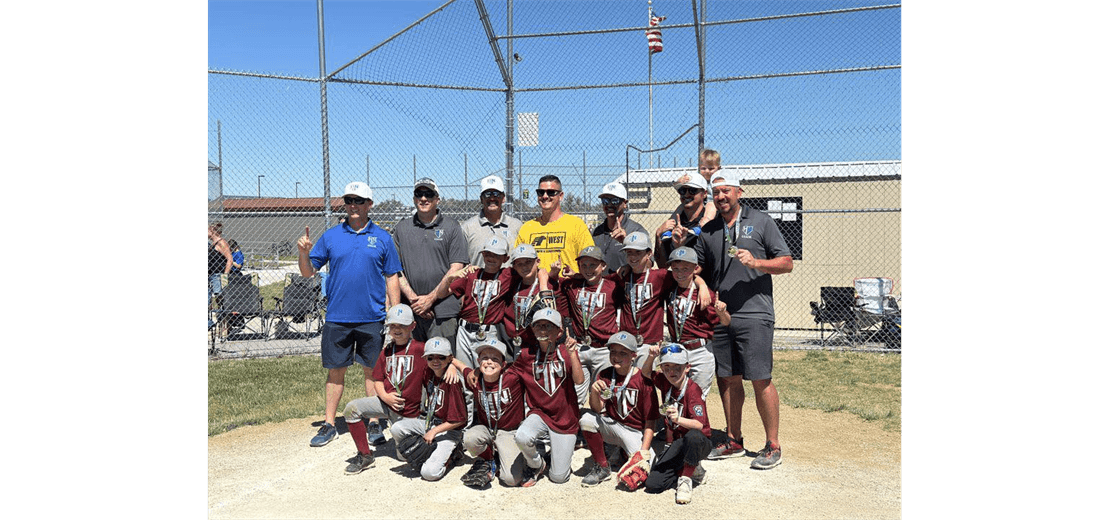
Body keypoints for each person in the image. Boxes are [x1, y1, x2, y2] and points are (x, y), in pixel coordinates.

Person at [694, 169, 794, 469]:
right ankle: (734, 440)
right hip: (722, 314)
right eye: (717, 191)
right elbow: (697, 269)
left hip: (755, 313)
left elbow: (787, 263)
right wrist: (701, 286)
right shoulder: (710, 230)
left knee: (760, 378)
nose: (721, 196)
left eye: (727, 191)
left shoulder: (761, 222)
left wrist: (758, 262)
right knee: (728, 378)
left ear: (740, 192)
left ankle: (772, 444)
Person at [297, 181, 402, 448]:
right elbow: (309, 272)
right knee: (336, 372)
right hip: (338, 316)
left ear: (369, 204)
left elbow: (392, 276)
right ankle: (329, 423)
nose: (353, 206)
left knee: (372, 372)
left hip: (372, 316)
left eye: (359, 201)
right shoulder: (332, 236)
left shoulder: (383, 238)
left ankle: (374, 423)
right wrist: (303, 253)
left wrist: (395, 312)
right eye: (349, 201)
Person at [341, 304, 427, 475]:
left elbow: (444, 358)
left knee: (405, 456)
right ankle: (365, 455)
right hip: (387, 404)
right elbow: (377, 379)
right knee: (351, 409)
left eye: (402, 325)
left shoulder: (420, 348)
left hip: (411, 412)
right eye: (393, 325)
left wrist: (454, 366)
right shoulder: (387, 351)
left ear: (413, 326)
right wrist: (385, 397)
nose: (397, 329)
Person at [510, 308, 585, 486]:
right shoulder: (526, 355)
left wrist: (573, 354)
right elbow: (508, 374)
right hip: (540, 413)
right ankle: (537, 463)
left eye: (549, 326)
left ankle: (555, 453)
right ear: (533, 330)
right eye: (539, 326)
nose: (543, 330)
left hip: (565, 418)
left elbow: (579, 380)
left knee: (559, 478)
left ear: (559, 331)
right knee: (522, 436)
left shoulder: (566, 351)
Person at [393, 177, 469, 347]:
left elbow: (456, 268)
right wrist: (415, 301)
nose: (424, 198)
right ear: (414, 199)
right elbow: (394, 269)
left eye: (429, 194)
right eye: (419, 194)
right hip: (412, 311)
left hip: (443, 309)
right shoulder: (402, 228)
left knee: (443, 364)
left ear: (437, 199)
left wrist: (430, 299)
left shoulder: (452, 227)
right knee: (414, 365)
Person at [578, 331, 659, 488]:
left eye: (623, 353)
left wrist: (643, 452)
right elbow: (597, 408)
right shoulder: (605, 374)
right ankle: (602, 467)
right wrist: (594, 392)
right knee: (586, 420)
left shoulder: (643, 379)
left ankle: (621, 452)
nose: (616, 356)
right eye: (613, 352)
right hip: (613, 425)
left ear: (634, 356)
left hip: (636, 432)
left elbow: (651, 421)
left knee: (649, 469)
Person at [639, 343, 712, 504]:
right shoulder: (666, 382)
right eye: (666, 367)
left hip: (699, 443)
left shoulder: (693, 390)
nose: (671, 372)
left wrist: (678, 419)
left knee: (693, 436)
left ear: (687, 367)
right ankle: (690, 468)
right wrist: (651, 356)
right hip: (677, 442)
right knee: (653, 484)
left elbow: (700, 425)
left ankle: (686, 478)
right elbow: (645, 372)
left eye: (677, 367)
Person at [549, 246, 621, 405]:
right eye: (584, 265)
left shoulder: (613, 287)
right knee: (576, 393)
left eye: (593, 265)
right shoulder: (573, 286)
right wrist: (555, 273)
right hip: (580, 346)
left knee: (605, 393)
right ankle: (578, 423)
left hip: (603, 348)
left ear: (603, 266)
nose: (588, 269)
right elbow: (556, 288)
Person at [388, 336, 468, 481]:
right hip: (429, 423)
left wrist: (434, 431)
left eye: (441, 357)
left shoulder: (453, 382)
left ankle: (454, 453)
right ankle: (422, 454)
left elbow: (459, 420)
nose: (435, 361)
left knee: (429, 473)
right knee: (396, 428)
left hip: (449, 431)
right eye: (431, 358)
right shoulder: (428, 371)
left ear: (449, 358)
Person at [454, 337, 528, 488]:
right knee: (469, 438)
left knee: (510, 480)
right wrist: (450, 364)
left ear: (504, 364)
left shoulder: (513, 377)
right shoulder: (475, 379)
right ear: (478, 361)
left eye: (495, 359)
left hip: (509, 432)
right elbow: (462, 367)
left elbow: (525, 360)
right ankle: (489, 459)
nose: (489, 362)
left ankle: (509, 456)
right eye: (485, 358)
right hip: (487, 429)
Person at [663, 246, 728, 401]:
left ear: (695, 268)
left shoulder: (705, 295)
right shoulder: (669, 286)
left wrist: (722, 312)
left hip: (699, 351)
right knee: (674, 395)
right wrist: (701, 282)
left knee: (696, 398)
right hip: (677, 348)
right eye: (676, 268)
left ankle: (694, 426)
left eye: (685, 269)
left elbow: (726, 322)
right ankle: (673, 425)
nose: (680, 273)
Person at [514, 174, 595, 277]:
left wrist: (575, 276)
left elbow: (590, 260)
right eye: (541, 192)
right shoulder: (527, 228)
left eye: (551, 192)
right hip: (536, 287)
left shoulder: (576, 225)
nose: (545, 196)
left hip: (567, 287)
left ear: (560, 196)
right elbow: (517, 261)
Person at [460, 175, 522, 269]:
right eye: (487, 194)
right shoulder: (467, 228)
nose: (492, 198)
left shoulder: (517, 226)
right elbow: (461, 264)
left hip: (509, 283)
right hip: (478, 282)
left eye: (496, 194)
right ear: (481, 199)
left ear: (503, 198)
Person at [654, 173, 710, 268]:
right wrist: (658, 235)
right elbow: (662, 266)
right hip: (681, 279)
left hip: (707, 280)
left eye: (692, 190)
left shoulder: (711, 219)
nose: (687, 195)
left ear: (704, 194)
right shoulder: (674, 223)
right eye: (682, 190)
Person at [591, 181, 648, 274]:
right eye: (605, 201)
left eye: (614, 201)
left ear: (625, 203)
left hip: (625, 285)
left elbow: (649, 263)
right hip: (601, 286)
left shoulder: (637, 230)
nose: (609, 205)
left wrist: (627, 242)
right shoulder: (597, 232)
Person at [207, 222, 233, 329]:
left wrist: (225, 275)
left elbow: (230, 260)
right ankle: (210, 323)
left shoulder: (221, 243)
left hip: (217, 276)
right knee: (208, 300)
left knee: (220, 299)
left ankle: (225, 326)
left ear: (212, 231)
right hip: (209, 275)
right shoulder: (212, 244)